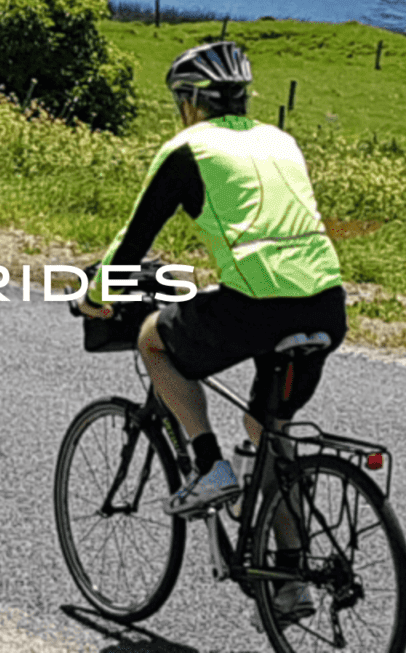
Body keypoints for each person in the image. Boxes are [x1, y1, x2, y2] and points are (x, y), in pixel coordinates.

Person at [77, 40, 347, 620]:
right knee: (267, 430)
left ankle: (207, 467)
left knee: (153, 338)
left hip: (256, 306)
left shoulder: (188, 149)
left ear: (191, 101)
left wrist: (95, 297)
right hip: (325, 306)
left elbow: (133, 241)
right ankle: (290, 579)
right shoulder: (281, 140)